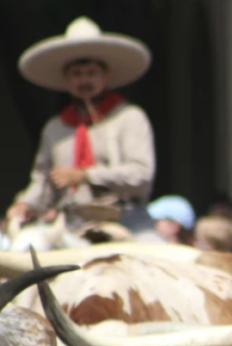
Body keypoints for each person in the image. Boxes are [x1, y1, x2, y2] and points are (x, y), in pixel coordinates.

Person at [4, 17, 155, 231]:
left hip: (127, 218)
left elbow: (141, 173)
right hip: (73, 222)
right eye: (76, 74)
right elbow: (43, 181)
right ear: (66, 79)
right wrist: (25, 204)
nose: (84, 81)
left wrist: (85, 175)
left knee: (155, 254)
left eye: (91, 73)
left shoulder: (129, 117)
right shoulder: (56, 128)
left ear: (105, 75)